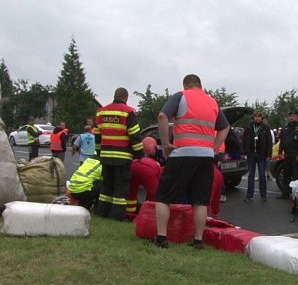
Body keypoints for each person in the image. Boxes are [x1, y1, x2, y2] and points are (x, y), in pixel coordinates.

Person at [154, 74, 229, 250]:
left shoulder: (181, 96)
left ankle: (161, 237)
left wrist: (165, 144)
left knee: (163, 196)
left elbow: (162, 116)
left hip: (182, 153)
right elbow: (225, 127)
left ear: (186, 85)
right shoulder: (212, 102)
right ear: (200, 85)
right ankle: (198, 240)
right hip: (206, 156)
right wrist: (215, 147)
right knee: (200, 200)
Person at [95, 87, 144, 221]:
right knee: (120, 188)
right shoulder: (128, 112)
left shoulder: (101, 112)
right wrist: (140, 155)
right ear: (126, 98)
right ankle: (116, 216)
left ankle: (101, 213)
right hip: (122, 157)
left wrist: (100, 153)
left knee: (106, 186)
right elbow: (135, 136)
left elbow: (98, 137)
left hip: (105, 156)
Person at [125, 137, 162, 219]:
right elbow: (154, 191)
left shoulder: (138, 153)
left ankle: (129, 213)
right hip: (148, 170)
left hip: (133, 166)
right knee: (153, 195)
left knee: (132, 192)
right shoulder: (159, 164)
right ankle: (150, 214)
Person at [242, 110, 273, 202]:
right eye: (255, 116)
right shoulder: (249, 127)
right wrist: (244, 152)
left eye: (259, 116)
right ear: (253, 117)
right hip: (251, 154)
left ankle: (263, 195)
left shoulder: (265, 128)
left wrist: (268, 154)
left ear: (261, 118)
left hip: (262, 155)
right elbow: (244, 140)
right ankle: (249, 195)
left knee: (262, 175)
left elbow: (269, 142)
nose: (257, 118)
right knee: (251, 175)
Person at [277, 110, 298, 199]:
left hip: (296, 155)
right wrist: (280, 153)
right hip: (287, 155)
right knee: (286, 175)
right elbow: (282, 142)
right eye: (290, 116)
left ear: (297, 117)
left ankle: (295, 196)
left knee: (295, 176)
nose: (292, 117)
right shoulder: (285, 128)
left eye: (294, 116)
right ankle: (285, 194)